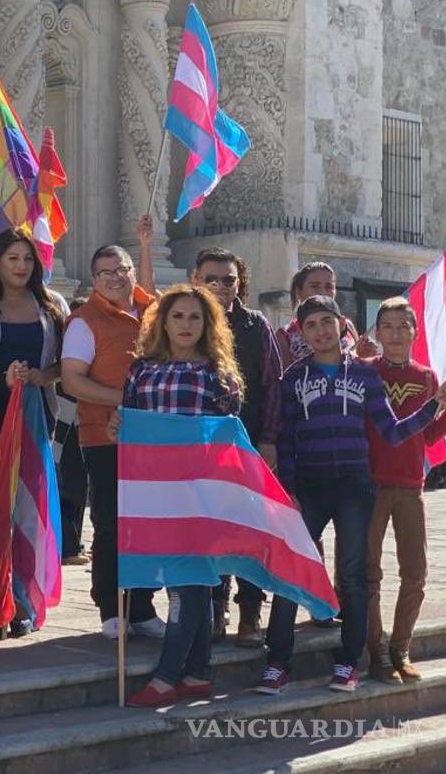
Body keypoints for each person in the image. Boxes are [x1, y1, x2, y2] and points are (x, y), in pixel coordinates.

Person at [256, 295, 446, 696]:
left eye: (328, 322)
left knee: (354, 575)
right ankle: (277, 662)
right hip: (307, 487)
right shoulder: (292, 378)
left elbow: (392, 430)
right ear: (302, 332)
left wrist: (435, 407)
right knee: (293, 571)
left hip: (355, 488)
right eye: (311, 325)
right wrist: (287, 489)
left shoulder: (365, 377)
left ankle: (348, 663)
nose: (321, 331)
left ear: (342, 325)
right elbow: (286, 438)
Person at [109, 285, 244, 708]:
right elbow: (130, 424)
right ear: (162, 322)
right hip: (155, 493)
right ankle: (198, 672)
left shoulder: (217, 375)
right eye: (178, 316)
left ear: (208, 326)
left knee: (186, 585)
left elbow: (228, 438)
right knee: (194, 582)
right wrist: (119, 430)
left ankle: (167, 677)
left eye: (195, 318)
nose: (186, 325)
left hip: (200, 493)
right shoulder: (141, 371)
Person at [60, 215, 164, 640]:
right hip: (105, 435)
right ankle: (110, 606)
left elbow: (153, 295)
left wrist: (143, 242)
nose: (115, 279)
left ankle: (141, 606)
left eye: (121, 271)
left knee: (148, 521)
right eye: (105, 273)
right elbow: (72, 380)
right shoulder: (85, 321)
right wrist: (124, 401)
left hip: (152, 436)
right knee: (110, 522)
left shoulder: (149, 310)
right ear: (94, 280)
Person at [0, 229, 63, 636]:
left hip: (34, 415)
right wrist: (1, 379)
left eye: (27, 259)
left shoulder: (51, 304)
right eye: (12, 258)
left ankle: (22, 600)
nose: (20, 266)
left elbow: (66, 364)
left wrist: (42, 375)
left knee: (28, 510)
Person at [192, 247, 282, 647]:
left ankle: (250, 614)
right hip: (201, 449)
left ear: (239, 282)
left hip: (247, 444)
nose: (221, 286)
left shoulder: (255, 325)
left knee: (249, 532)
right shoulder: (186, 320)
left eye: (229, 279)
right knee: (211, 532)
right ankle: (215, 608)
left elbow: (273, 384)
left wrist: (268, 439)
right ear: (196, 280)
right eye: (212, 278)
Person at [364, 298, 446, 684]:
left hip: (411, 486)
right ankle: (376, 652)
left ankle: (401, 647)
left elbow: (428, 436)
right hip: (368, 486)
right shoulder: (365, 371)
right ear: (377, 332)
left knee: (415, 572)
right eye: (388, 327)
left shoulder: (427, 377)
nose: (396, 334)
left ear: (415, 332)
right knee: (367, 574)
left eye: (403, 327)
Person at [276, 262, 375, 369]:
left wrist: (364, 355)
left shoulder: (347, 326)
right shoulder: (285, 335)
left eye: (329, 287)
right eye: (314, 286)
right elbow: (284, 378)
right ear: (299, 292)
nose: (322, 292)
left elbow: (357, 365)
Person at [53, 297, 89, 567]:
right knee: (65, 483)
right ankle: (66, 544)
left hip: (81, 425)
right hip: (63, 424)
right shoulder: (62, 355)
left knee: (78, 484)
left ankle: (73, 543)